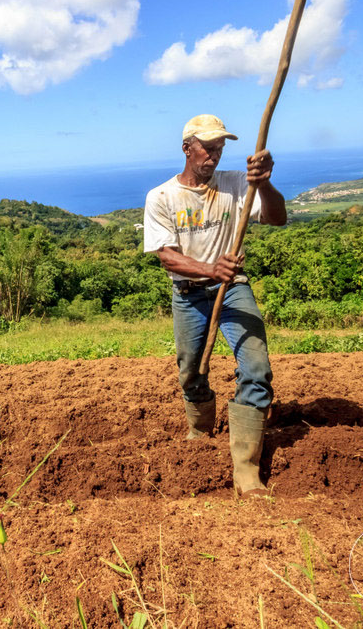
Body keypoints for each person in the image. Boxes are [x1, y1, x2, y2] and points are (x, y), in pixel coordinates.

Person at [143, 114, 287, 496]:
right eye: (208, 148)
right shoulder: (161, 197)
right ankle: (200, 427)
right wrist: (210, 268)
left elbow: (277, 217)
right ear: (187, 148)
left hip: (233, 289)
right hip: (189, 294)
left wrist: (265, 184)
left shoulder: (238, 185)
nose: (215, 156)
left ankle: (246, 469)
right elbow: (168, 258)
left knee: (256, 369)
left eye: (221, 149)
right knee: (191, 372)